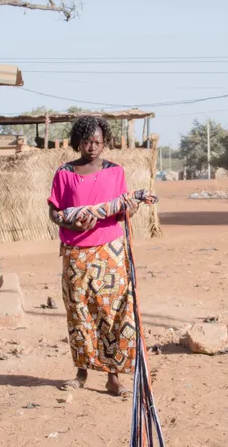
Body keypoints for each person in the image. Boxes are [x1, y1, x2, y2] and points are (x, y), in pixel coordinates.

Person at [47, 117, 154, 397]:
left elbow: (121, 211)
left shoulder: (115, 172)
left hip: (109, 250)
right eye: (87, 141)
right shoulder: (64, 173)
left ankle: (112, 377)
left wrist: (132, 208)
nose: (92, 147)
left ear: (105, 142)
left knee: (111, 311)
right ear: (78, 142)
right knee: (78, 311)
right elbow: (54, 212)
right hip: (75, 252)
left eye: (97, 142)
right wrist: (71, 224)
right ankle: (81, 373)